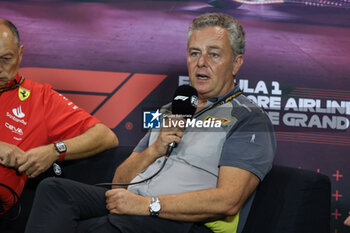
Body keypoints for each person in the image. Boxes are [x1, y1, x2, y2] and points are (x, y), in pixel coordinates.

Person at [24, 13, 276, 233]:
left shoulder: (249, 118)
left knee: (101, 227)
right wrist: (155, 149)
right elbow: (119, 181)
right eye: (194, 53)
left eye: (214, 54)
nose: (201, 62)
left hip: (185, 223)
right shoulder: (172, 109)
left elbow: (228, 201)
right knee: (54, 190)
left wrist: (148, 206)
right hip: (134, 204)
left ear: (236, 63)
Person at [0, 18, 119, 217]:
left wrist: (55, 150)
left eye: (6, 59)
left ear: (20, 54)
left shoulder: (40, 98)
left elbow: (105, 136)